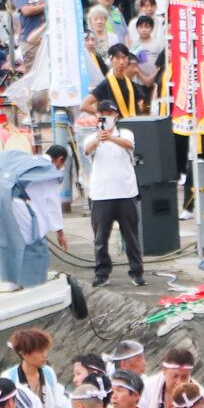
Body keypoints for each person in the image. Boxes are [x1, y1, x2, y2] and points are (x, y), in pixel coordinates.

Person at [82, 112, 144, 287]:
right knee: (100, 238)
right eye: (102, 115)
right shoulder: (91, 138)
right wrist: (99, 139)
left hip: (126, 194)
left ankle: (137, 272)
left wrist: (110, 138)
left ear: (116, 117)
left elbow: (129, 145)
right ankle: (102, 273)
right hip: (101, 195)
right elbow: (87, 150)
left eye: (109, 115)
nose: (106, 119)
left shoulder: (125, 133)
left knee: (131, 237)